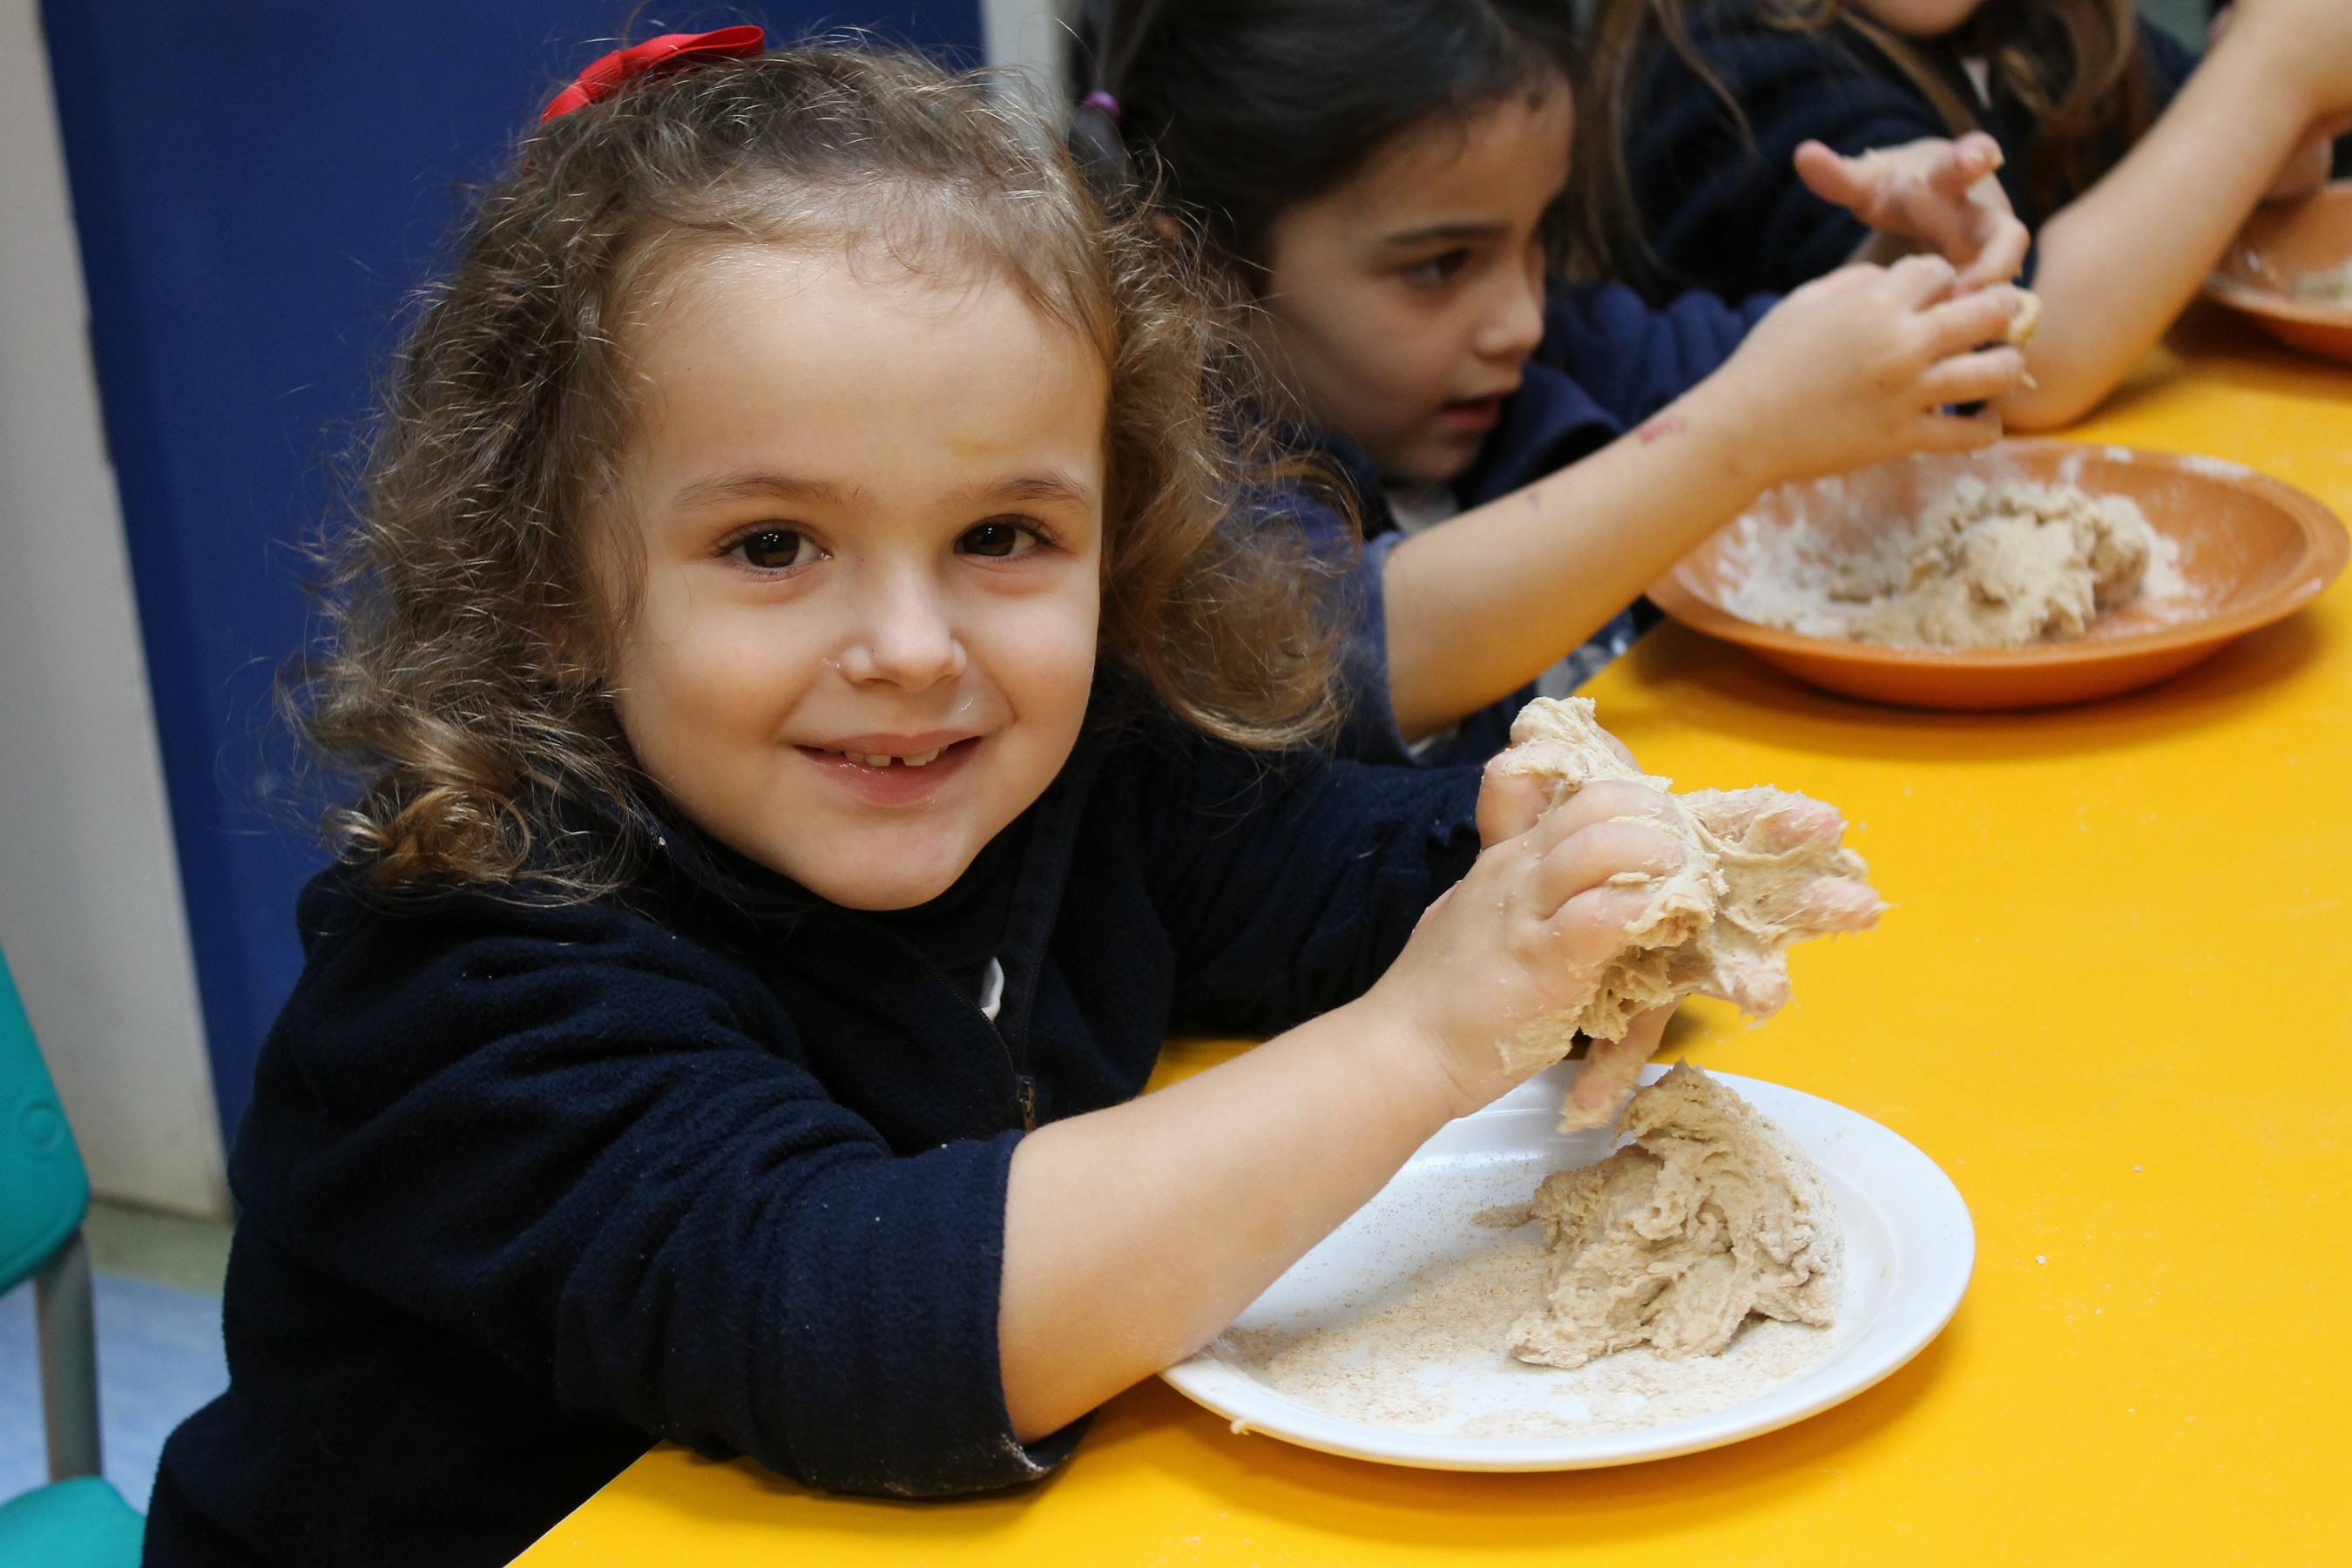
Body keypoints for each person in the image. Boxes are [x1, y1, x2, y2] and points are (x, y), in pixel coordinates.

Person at [142, 37, 1883, 1567]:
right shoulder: (468, 990)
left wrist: (1555, 877)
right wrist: (1424, 1039)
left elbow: (1339, 886)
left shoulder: (1087, 776)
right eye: (772, 547)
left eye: (1002, 538)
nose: (911, 650)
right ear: (550, 586)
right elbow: (865, 1321)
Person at [1068, 0, 2032, 767]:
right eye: (1442, 264)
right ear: (1199, 273)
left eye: (1540, 239)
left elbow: (1800, 377)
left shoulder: (1559, 350)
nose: (1521, 318)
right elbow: (1333, 648)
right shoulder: (1172, 488)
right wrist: (1742, 435)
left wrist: (1912, 255)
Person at [1587, 0, 2352, 429]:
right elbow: (2031, 359)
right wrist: (2273, 70)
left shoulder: (2044, 22)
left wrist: (2279, 76)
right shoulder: (1719, 59)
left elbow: (2266, 166)